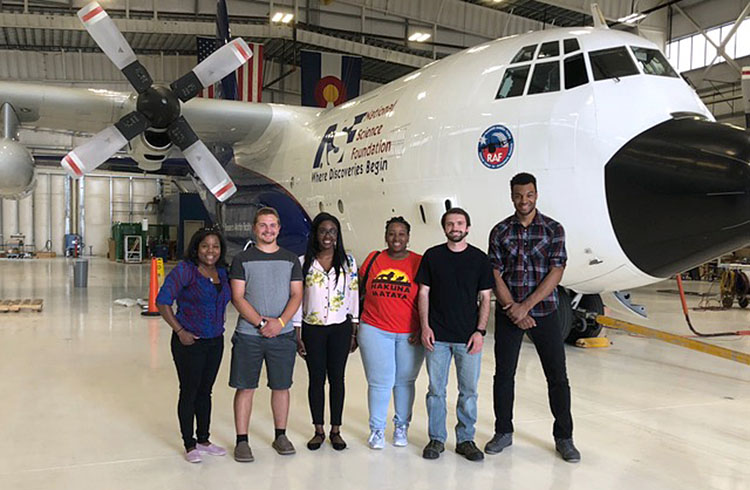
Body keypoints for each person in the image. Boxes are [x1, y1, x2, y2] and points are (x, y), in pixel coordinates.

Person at [485, 172, 580, 463]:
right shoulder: (500, 231)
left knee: (557, 377)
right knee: (504, 375)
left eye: (528, 195)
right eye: (517, 195)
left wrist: (525, 306)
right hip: (508, 312)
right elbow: (494, 273)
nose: (523, 200)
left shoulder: (553, 229)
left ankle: (564, 437)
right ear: (511, 196)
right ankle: (503, 431)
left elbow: (557, 272)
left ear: (536, 194)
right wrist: (512, 306)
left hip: (544, 312)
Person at [416, 208, 494, 462]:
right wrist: (425, 327)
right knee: (436, 390)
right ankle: (436, 439)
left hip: (468, 338)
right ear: (444, 228)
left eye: (460, 223)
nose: (455, 228)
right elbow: (423, 293)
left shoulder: (480, 259)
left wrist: (480, 331)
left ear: (468, 227)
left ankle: (465, 440)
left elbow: (485, 298)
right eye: (450, 224)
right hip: (436, 336)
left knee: (468, 391)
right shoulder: (432, 256)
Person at [228, 207, 303, 462]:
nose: (268, 230)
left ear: (279, 229)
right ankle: (242, 440)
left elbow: (297, 295)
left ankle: (280, 435)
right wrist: (261, 323)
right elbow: (237, 297)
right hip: (249, 334)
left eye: (273, 225)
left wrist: (280, 322)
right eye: (263, 225)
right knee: (245, 387)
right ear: (254, 228)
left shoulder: (291, 259)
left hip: (282, 335)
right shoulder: (242, 259)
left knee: (281, 386)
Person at [156, 227, 232, 464]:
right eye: (205, 246)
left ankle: (204, 439)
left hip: (215, 341)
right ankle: (189, 443)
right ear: (196, 248)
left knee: (205, 391)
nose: (211, 251)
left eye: (215, 246)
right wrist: (179, 330)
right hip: (190, 341)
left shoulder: (223, 272)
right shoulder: (186, 271)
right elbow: (162, 301)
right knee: (189, 391)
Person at [293, 212, 359, 451]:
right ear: (315, 234)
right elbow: (297, 298)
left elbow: (353, 295)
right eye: (323, 231)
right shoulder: (303, 263)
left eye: (332, 231)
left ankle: (336, 430)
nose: (328, 236)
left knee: (337, 379)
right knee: (316, 379)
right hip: (313, 329)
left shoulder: (348, 262)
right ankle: (318, 429)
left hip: (340, 328)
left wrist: (354, 329)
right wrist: (297, 331)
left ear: (337, 234)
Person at [358, 217, 423, 449]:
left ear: (408, 237)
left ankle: (401, 426)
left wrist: (423, 327)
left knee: (405, 381)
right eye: (392, 234)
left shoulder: (419, 261)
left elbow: (428, 297)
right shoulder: (374, 258)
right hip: (375, 329)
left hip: (410, 333)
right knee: (379, 382)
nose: (397, 238)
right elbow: (357, 289)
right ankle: (376, 430)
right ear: (386, 236)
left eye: (402, 234)